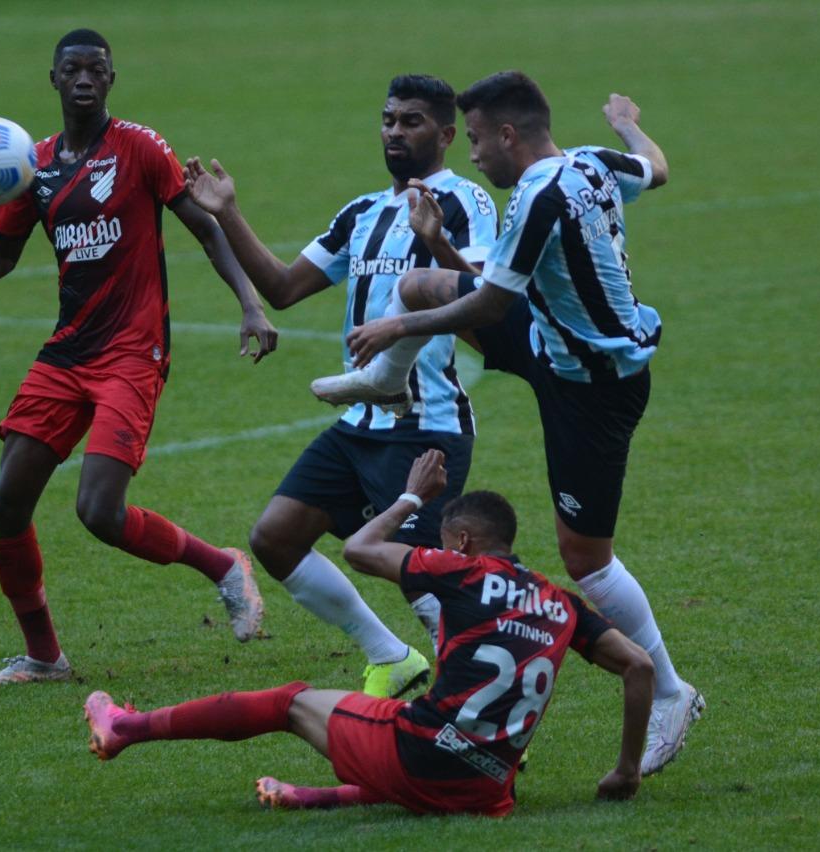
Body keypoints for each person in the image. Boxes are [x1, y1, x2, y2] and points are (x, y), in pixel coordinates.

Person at [310, 72, 702, 774]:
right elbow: (659, 167)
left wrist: (398, 324)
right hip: (553, 339)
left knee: (586, 558)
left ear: (511, 134)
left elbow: (489, 309)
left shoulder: (535, 199)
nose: (477, 156)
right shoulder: (590, 161)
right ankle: (387, 378)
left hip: (591, 387)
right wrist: (624, 122)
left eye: (482, 139)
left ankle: (670, 691)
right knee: (422, 277)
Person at [0, 29, 279, 687]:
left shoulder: (138, 147)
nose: (85, 79)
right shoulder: (33, 165)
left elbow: (205, 225)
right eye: (73, 69)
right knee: (5, 506)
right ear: (53, 79)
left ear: (111, 79)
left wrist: (250, 303)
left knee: (99, 513)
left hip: (133, 352)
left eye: (97, 70)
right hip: (66, 352)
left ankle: (223, 566)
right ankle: (45, 657)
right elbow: (1, 255)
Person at [83, 449, 654, 816]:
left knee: (289, 703)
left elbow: (359, 549)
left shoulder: (458, 568)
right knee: (418, 749)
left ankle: (126, 728)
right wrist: (627, 770)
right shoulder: (561, 603)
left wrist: (411, 498)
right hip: (489, 792)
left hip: (423, 756)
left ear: (461, 544)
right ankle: (317, 796)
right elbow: (639, 666)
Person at [180, 75, 499, 697]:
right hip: (359, 424)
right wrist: (229, 213)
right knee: (275, 537)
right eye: (388, 120)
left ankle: (474, 703)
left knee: (422, 577)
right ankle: (390, 656)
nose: (395, 132)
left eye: (411, 121)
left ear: (446, 134)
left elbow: (489, 312)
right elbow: (282, 288)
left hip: (425, 422)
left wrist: (436, 243)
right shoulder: (362, 212)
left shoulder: (465, 203)